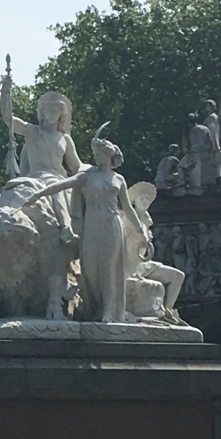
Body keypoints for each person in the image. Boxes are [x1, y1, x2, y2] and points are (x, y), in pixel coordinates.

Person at [24, 131, 147, 323]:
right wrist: (38, 194)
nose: (95, 157)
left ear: (108, 155)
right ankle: (93, 307)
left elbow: (128, 209)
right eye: (95, 154)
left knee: (108, 269)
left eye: (99, 154)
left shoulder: (118, 179)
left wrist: (142, 233)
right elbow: (62, 185)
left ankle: (108, 311)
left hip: (112, 225)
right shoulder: (87, 175)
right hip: (91, 225)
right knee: (89, 269)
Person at [0, 76, 84, 242]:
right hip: (35, 176)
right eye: (48, 110)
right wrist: (5, 93)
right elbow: (9, 120)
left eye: (56, 110)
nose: (51, 113)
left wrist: (92, 172)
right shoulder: (32, 131)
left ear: (62, 115)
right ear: (42, 112)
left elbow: (76, 166)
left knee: (57, 187)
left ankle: (66, 226)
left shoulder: (64, 139)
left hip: (57, 178)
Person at [125, 182, 185, 322]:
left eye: (147, 199)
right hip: (128, 266)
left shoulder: (146, 222)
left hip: (142, 264)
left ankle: (167, 311)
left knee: (178, 276)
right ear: (134, 201)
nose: (145, 201)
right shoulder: (127, 221)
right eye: (142, 198)